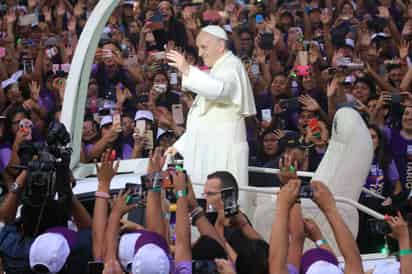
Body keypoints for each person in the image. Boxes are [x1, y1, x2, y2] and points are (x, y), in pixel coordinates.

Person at [165, 25, 256, 210]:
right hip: (210, 150)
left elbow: (219, 91)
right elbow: (203, 121)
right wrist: (178, 146)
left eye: (204, 47)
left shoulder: (232, 66)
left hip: (223, 151)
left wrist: (187, 69)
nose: (200, 53)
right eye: (198, 47)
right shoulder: (217, 70)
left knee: (225, 207)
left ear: (220, 46)